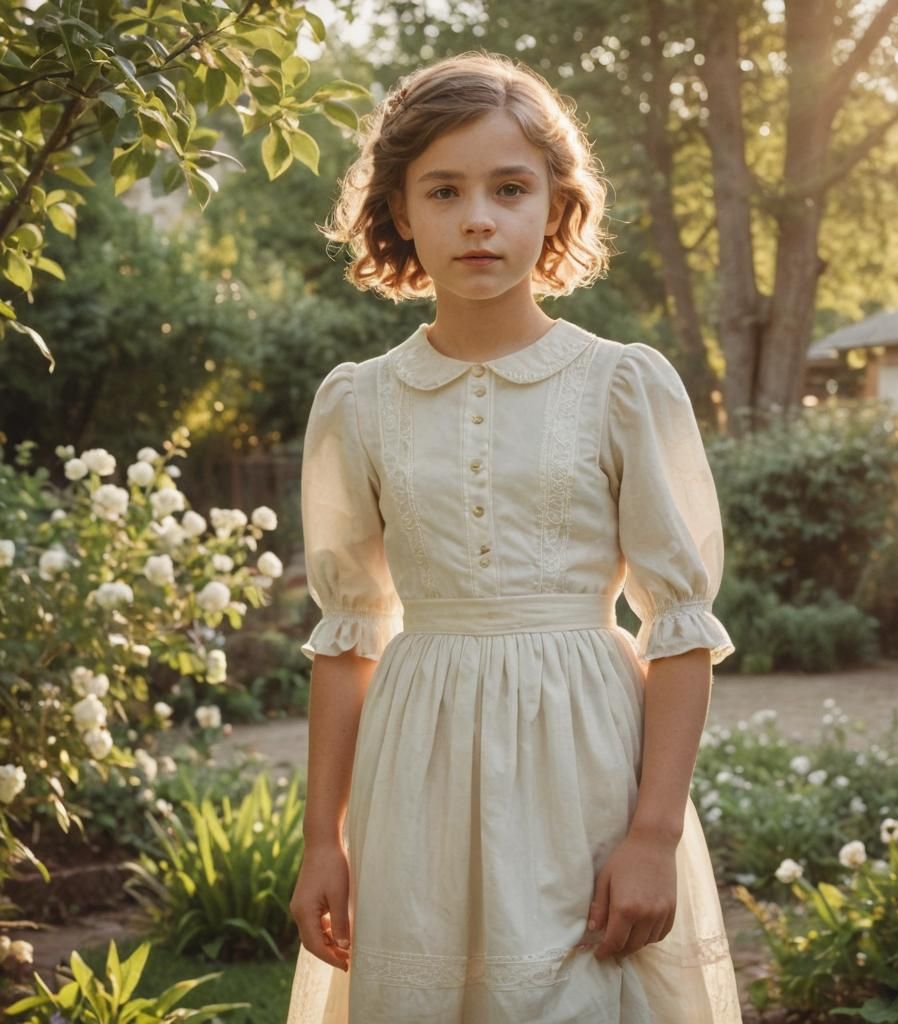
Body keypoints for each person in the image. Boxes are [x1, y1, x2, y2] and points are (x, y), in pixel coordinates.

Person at [285, 49, 742, 1024]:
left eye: (510, 188)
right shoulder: (359, 402)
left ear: (555, 208)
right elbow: (347, 636)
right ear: (401, 212)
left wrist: (652, 834)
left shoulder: (622, 384)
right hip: (416, 770)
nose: (479, 218)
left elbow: (681, 625)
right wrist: (322, 840)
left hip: (586, 763)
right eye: (444, 191)